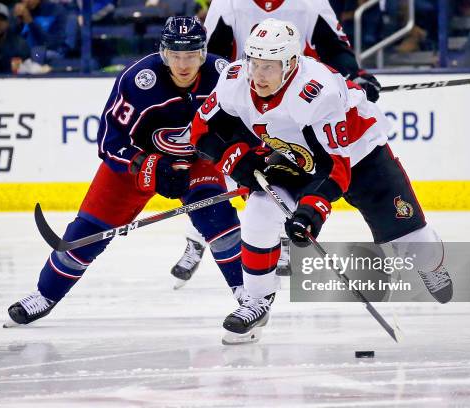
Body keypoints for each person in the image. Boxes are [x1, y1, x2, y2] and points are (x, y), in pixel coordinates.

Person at [191, 18, 453, 344]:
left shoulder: (315, 92)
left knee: (412, 242)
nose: (258, 75)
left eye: (269, 67)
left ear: (290, 65)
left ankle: (430, 264)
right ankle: (257, 300)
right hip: (294, 154)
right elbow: (201, 129)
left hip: (359, 154)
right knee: (259, 212)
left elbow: (335, 169)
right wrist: (236, 159)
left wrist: (310, 214)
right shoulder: (234, 79)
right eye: (255, 63)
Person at [4, 16, 245, 327]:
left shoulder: (224, 76)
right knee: (85, 234)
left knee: (218, 219)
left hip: (198, 159)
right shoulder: (139, 81)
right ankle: (45, 294)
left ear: (202, 53)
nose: (183, 65)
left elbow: (245, 125)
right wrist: (148, 167)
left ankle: (248, 294)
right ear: (163, 53)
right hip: (137, 163)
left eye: (191, 56)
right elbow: (109, 140)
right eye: (175, 55)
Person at [170, 0, 382, 285]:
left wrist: (353, 76)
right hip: (247, 106)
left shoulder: (310, 3)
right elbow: (212, 57)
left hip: (294, 110)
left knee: (288, 179)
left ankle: (283, 242)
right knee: (219, 176)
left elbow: (334, 48)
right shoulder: (228, 4)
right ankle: (197, 239)